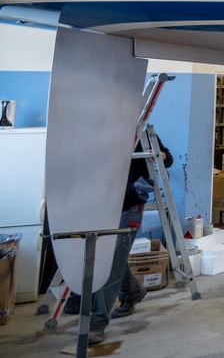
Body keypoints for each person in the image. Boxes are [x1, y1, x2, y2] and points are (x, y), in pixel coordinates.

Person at [86, 133, 172, 345]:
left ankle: (97, 322)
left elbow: (168, 158)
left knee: (113, 261)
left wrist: (159, 155)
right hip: (103, 204)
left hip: (129, 204)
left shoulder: (139, 131)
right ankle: (133, 291)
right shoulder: (101, 130)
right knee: (109, 258)